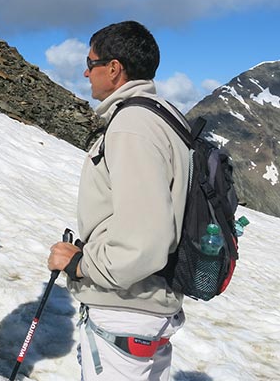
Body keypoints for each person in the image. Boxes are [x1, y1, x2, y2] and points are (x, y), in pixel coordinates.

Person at [47, 21, 190, 381]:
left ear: (113, 69)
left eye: (90, 61)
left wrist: (81, 264)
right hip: (149, 306)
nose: (85, 71)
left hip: (126, 307)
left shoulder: (132, 125)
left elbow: (142, 244)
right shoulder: (165, 115)